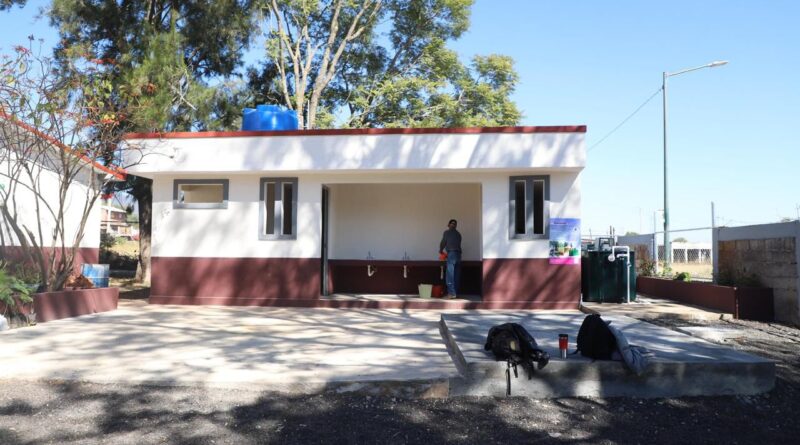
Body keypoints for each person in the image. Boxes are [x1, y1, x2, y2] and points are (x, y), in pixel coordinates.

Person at [439, 219, 462, 299]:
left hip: (451, 254)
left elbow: (443, 242)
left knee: (450, 274)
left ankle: (451, 293)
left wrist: (440, 250)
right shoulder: (458, 234)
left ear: (448, 225)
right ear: (456, 226)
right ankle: (455, 293)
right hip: (459, 255)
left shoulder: (447, 232)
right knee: (456, 275)